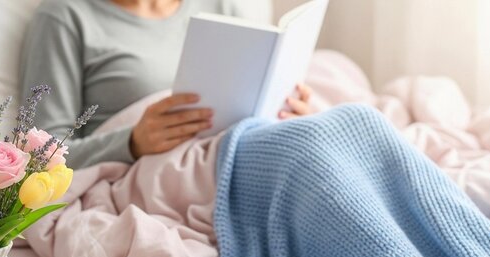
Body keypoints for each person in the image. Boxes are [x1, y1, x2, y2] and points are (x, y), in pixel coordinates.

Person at [20, 0, 314, 169]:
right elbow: (41, 154)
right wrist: (131, 143)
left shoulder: (220, 4)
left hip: (241, 153)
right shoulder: (65, 15)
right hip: (156, 176)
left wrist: (289, 113)